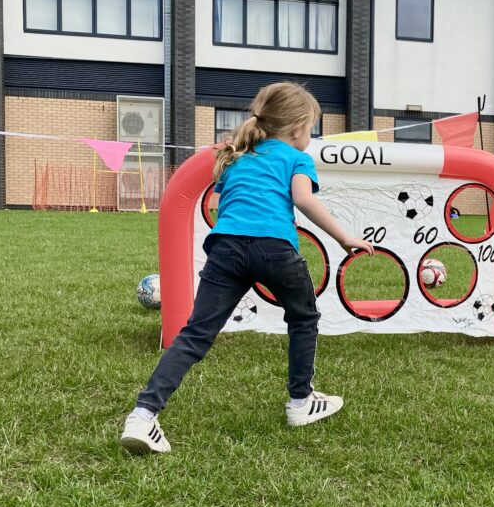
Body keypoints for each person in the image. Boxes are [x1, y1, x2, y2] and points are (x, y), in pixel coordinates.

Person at [120, 81, 373, 455]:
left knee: (196, 334)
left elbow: (231, 200)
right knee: (303, 318)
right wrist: (343, 236)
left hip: (225, 249)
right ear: (297, 128)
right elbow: (302, 199)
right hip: (275, 250)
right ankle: (301, 402)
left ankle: (143, 416)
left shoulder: (237, 156)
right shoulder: (296, 158)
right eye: (312, 128)